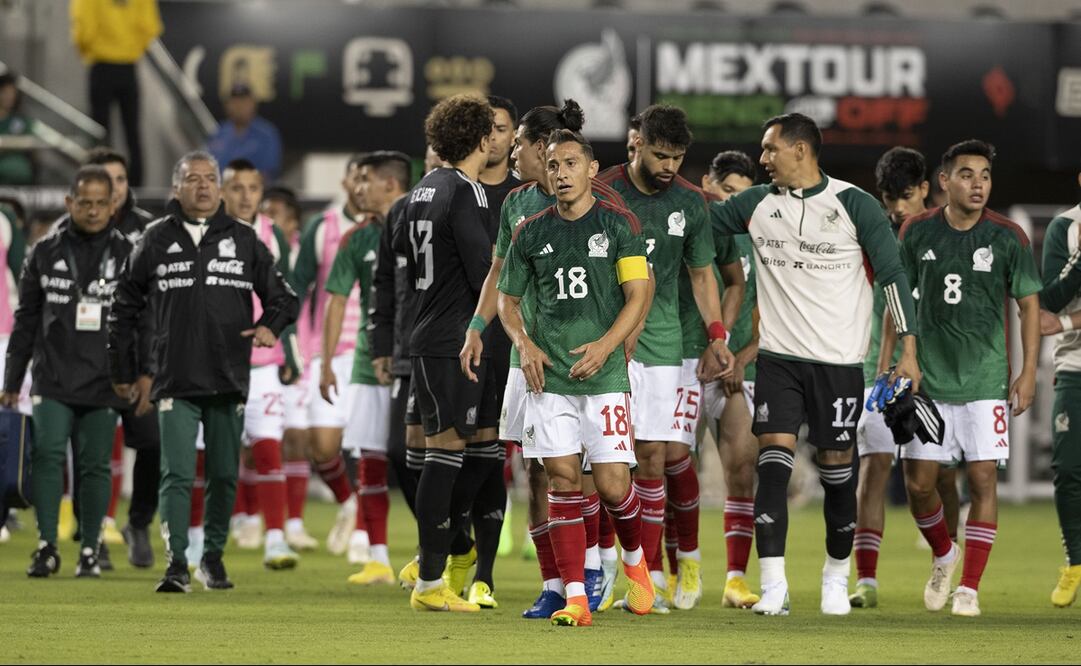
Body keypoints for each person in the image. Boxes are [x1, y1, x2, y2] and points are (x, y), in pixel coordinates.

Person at [711, 113, 920, 616]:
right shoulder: (756, 204)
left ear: (800, 151)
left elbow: (891, 275)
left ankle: (833, 576)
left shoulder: (854, 204)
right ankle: (775, 586)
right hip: (779, 359)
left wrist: (908, 349)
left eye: (769, 149)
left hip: (839, 364)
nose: (762, 159)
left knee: (837, 476)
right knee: (773, 468)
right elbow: (696, 220)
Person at [460, 99, 631, 617]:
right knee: (539, 470)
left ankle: (599, 563)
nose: (512, 152)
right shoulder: (515, 205)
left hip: (590, 360)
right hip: (529, 355)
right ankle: (555, 583)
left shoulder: (603, 206)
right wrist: (477, 327)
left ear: (542, 146)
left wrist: (618, 341)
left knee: (593, 470)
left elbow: (631, 288)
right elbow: (499, 276)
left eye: (518, 144)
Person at [108, 150, 298, 593]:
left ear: (219, 186)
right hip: (173, 377)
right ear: (176, 188)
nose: (203, 185)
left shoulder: (246, 239)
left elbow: (284, 297)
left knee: (224, 473)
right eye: (192, 178)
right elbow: (123, 307)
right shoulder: (154, 239)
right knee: (176, 473)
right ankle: (177, 564)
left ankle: (212, 558)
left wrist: (271, 327)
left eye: (210, 178)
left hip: (228, 377)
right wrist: (125, 369)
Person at [497, 129, 655, 627]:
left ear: (591, 169)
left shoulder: (620, 225)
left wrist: (608, 346)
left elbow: (638, 293)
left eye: (570, 163)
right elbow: (508, 300)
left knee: (612, 487)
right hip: (549, 380)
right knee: (562, 482)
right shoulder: (531, 232)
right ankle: (576, 598)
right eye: (552, 164)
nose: (560, 172)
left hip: (604, 377)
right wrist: (524, 344)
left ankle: (634, 562)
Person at [882, 140, 1040, 618]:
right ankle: (944, 554)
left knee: (983, 477)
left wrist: (1028, 371)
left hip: (986, 380)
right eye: (967, 174)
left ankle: (969, 587)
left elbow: (1029, 304)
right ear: (944, 181)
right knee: (920, 485)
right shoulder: (916, 230)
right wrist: (893, 359)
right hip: (928, 379)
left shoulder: (1009, 236)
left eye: (986, 175)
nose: (978, 184)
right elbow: (899, 297)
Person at [597, 104, 733, 613]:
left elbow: (702, 275)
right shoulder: (604, 188)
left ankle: (647, 573)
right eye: (660, 155)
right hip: (605, 341)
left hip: (661, 347)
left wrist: (717, 333)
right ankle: (602, 568)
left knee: (654, 458)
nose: (669, 166)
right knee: (603, 466)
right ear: (637, 144)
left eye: (677, 157)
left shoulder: (693, 203)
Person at [3, 165, 131, 578]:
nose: (93, 211)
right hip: (52, 378)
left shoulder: (128, 254)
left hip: (104, 379)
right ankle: (45, 546)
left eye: (101, 203)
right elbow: (25, 322)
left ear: (114, 205)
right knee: (48, 456)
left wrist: (140, 374)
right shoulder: (44, 251)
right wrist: (10, 381)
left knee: (94, 465)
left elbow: (143, 322)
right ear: (68, 203)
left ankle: (90, 549)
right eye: (84, 203)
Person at [850, 147, 962, 609]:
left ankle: (946, 555)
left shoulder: (941, 234)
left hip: (934, 375)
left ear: (924, 190)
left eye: (904, 196)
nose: (895, 207)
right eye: (888, 198)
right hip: (876, 370)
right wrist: (882, 361)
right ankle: (867, 580)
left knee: (941, 478)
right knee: (873, 468)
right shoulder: (876, 237)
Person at [395, 93, 495, 612]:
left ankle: (432, 570)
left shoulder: (419, 190)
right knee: (447, 454)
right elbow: (486, 268)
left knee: (444, 451)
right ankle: (432, 582)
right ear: (483, 140)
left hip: (425, 332)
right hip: (455, 338)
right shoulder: (467, 190)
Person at [440, 94, 520, 608]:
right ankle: (453, 544)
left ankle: (483, 573)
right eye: (487, 127)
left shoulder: (526, 194)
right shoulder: (455, 192)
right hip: (457, 336)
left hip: (507, 340)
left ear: (513, 137)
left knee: (489, 456)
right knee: (437, 456)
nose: (494, 135)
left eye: (502, 127)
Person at [320, 151, 409, 586]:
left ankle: (445, 554)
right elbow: (337, 299)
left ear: (390, 185)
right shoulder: (356, 238)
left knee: (429, 459)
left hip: (418, 358)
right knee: (370, 459)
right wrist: (325, 362)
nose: (357, 189)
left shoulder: (424, 226)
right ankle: (377, 557)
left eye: (366, 181)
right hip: (367, 364)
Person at [219, 158, 301, 569]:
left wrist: (288, 350)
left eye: (253, 188)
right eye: (237, 188)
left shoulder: (272, 235)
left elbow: (285, 296)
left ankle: (275, 540)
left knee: (268, 450)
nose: (246, 196)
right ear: (222, 191)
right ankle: (197, 543)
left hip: (263, 363)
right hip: (213, 362)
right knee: (211, 457)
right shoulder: (207, 235)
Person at [84, 147, 161, 568]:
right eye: (103, 180)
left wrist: (149, 367)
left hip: (137, 360)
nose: (112, 189)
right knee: (91, 451)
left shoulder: (150, 232)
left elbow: (155, 305)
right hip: (88, 363)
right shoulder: (70, 231)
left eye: (119, 179)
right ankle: (92, 534)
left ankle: (138, 521)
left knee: (151, 442)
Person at [291, 155, 370, 558]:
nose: (362, 186)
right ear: (345, 182)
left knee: (363, 446)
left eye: (369, 179)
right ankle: (348, 503)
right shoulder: (322, 228)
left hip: (370, 353)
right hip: (327, 352)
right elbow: (296, 286)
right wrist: (296, 345)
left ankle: (362, 533)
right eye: (357, 178)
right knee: (321, 446)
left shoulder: (389, 227)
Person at [698, 150, 761, 609]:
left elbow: (774, 313)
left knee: (741, 469)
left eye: (743, 195)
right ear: (708, 183)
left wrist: (740, 358)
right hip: (685, 363)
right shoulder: (689, 226)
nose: (733, 203)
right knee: (666, 469)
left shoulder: (760, 241)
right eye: (727, 192)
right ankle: (673, 571)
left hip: (739, 371)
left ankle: (735, 579)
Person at [259, 185, 312, 544]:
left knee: (295, 437)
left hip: (300, 353)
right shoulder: (259, 251)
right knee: (259, 442)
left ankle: (293, 523)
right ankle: (248, 518)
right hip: (264, 353)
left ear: (292, 222)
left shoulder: (301, 256)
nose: (269, 218)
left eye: (275, 213)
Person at [1039, 166, 1081, 608]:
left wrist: (1068, 320)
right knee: (1068, 469)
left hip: (1068, 339)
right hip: (1075, 364)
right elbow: (1047, 299)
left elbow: (1058, 316)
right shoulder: (1065, 227)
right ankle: (1075, 562)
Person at [70, 0, 161, 187]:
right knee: (132, 129)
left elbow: (82, 28)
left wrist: (93, 47)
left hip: (101, 64)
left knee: (100, 130)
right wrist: (130, 46)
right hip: (128, 65)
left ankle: (98, 180)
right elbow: (150, 26)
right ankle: (136, 184)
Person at [206, 84, 283, 182]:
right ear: (227, 106)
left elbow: (268, 173)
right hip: (221, 192)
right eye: (235, 102)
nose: (239, 107)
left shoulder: (267, 134)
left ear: (253, 104)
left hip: (255, 193)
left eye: (244, 102)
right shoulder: (218, 133)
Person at [0, 71, 37, 185]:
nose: (9, 97)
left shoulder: (20, 120)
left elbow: (30, 141)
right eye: (5, 92)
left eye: (12, 93)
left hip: (21, 178)